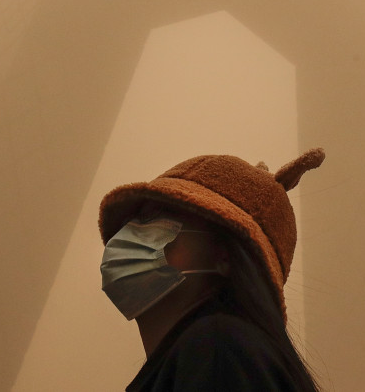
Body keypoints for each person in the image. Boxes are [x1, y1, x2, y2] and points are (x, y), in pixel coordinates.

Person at [98, 148, 325, 392]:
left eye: (153, 217)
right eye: (130, 223)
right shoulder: (211, 353)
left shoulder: (218, 347)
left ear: (224, 255)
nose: (128, 235)